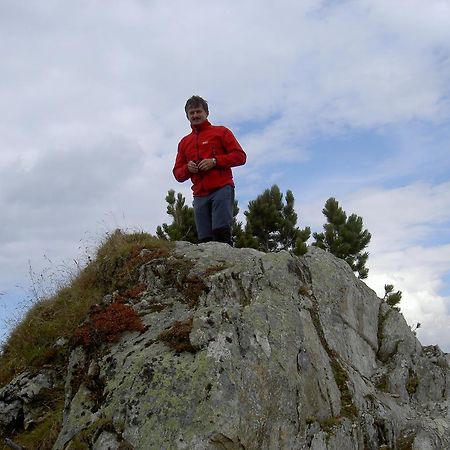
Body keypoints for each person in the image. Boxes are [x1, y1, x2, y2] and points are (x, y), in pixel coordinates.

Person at [173, 95, 246, 245]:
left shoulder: (221, 132)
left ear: (206, 113)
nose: (195, 115)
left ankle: (229, 266)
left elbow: (240, 156)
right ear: (187, 116)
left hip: (221, 188)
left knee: (221, 233)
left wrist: (215, 161)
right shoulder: (184, 143)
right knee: (204, 240)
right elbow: (178, 174)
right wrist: (188, 168)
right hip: (199, 195)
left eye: (198, 111)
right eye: (191, 113)